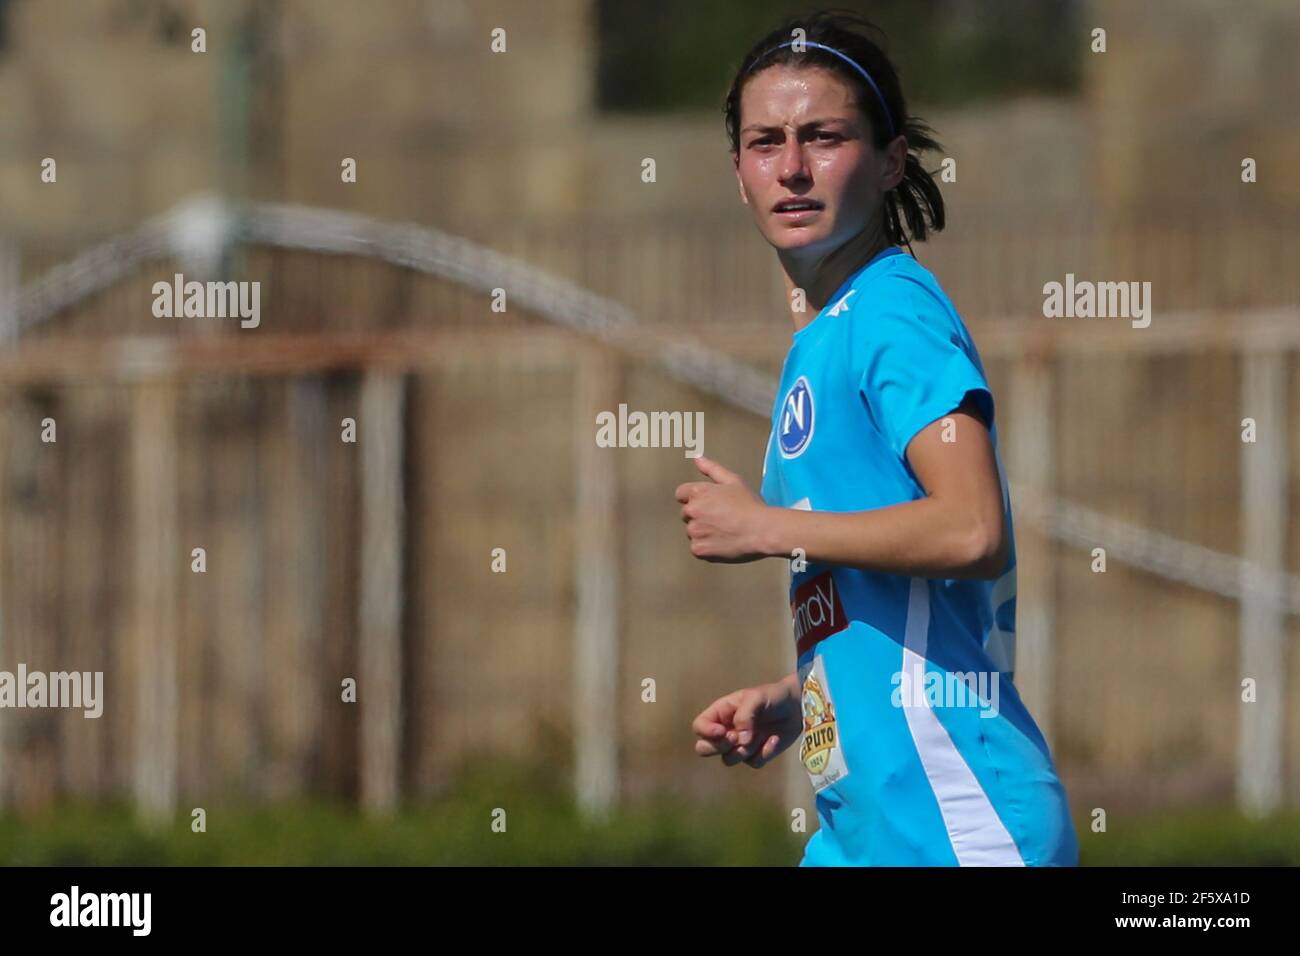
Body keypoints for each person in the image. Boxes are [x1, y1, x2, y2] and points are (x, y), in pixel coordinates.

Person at [677, 11, 1078, 866]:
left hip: (955, 824)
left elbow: (970, 528)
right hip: (862, 830)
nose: (791, 168)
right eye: (764, 142)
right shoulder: (821, 337)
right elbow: (889, 604)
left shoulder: (892, 310)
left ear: (891, 160)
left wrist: (766, 526)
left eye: (823, 137)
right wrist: (803, 698)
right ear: (737, 172)